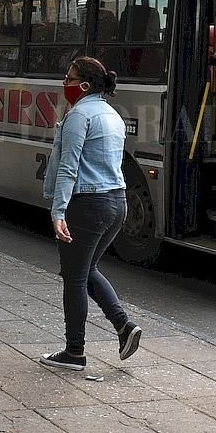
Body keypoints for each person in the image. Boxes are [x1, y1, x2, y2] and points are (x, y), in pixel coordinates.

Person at [40, 56, 141, 371]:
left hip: (87, 206)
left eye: (68, 77)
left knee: (74, 278)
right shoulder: (112, 115)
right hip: (117, 203)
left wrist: (58, 212)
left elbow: (69, 167)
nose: (64, 83)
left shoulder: (79, 115)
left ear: (83, 84)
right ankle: (124, 327)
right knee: (86, 270)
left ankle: (74, 352)